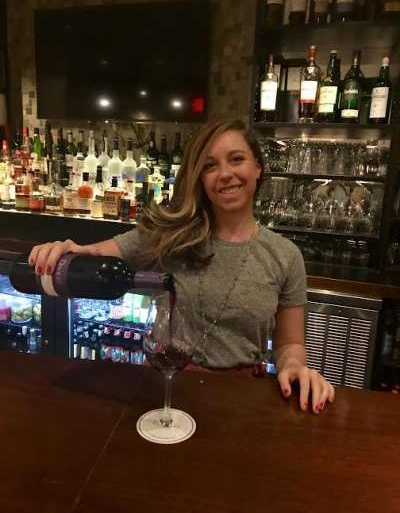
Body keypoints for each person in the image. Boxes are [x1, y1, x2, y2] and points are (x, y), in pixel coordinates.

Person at [29, 119, 335, 414]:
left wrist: (295, 367)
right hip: (165, 389)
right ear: (200, 178)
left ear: (257, 167)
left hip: (241, 399)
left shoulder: (285, 255)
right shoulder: (171, 234)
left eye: (236, 159)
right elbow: (97, 254)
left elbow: (290, 343)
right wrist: (69, 250)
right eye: (210, 166)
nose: (225, 174)